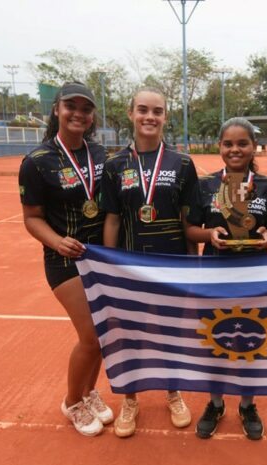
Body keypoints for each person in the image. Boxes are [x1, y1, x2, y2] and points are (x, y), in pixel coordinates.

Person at [19, 81, 113, 437]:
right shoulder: (37, 162)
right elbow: (31, 218)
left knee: (104, 334)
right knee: (90, 335)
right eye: (70, 106)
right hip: (64, 259)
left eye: (85, 108)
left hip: (101, 257)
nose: (78, 113)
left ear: (92, 117)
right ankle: (72, 400)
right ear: (57, 109)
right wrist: (58, 242)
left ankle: (89, 391)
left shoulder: (102, 155)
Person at [100, 87, 197, 437]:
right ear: (131, 113)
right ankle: (129, 399)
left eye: (157, 111)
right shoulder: (114, 165)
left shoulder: (182, 163)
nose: (150, 117)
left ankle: (173, 391)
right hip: (130, 266)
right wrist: (109, 267)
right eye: (143, 109)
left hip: (171, 265)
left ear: (165, 117)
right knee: (129, 334)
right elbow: (111, 218)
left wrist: (192, 264)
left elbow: (189, 220)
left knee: (171, 331)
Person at [185, 117, 267, 440]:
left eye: (242, 143)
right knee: (214, 341)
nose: (235, 149)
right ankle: (215, 402)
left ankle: (247, 404)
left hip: (255, 279)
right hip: (214, 276)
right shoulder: (206, 186)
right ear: (220, 147)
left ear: (253, 147)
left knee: (250, 342)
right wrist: (208, 233)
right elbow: (190, 229)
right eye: (228, 143)